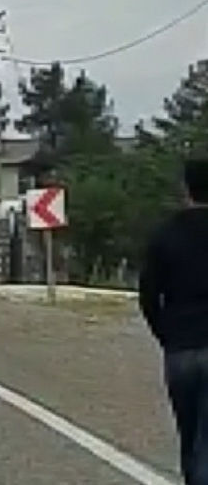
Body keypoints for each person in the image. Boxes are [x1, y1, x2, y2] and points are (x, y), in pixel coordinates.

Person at [139, 158, 208, 485]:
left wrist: (167, 335)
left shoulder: (164, 235)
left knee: (190, 434)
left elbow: (149, 296)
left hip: (181, 347)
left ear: (186, 189)